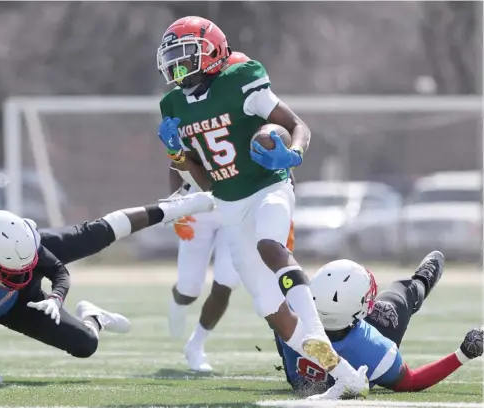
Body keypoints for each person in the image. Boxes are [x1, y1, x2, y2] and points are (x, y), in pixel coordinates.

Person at [155, 15, 368, 400]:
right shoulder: (172, 104)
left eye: (186, 55)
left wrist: (293, 154)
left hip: (269, 186)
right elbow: (207, 181)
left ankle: (317, 331)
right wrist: (176, 155)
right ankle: (347, 376)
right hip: (229, 205)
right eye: (173, 58)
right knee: (273, 312)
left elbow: (296, 124)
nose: (177, 66)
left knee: (271, 246)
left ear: (213, 51)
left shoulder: (240, 79)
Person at [0, 192, 214, 383]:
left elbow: (57, 270)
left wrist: (55, 296)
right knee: (85, 345)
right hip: (11, 308)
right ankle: (95, 317)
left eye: (28, 265)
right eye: (15, 271)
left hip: (31, 271)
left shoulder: (25, 247)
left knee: (97, 234)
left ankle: (172, 207)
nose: (25, 274)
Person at [275, 251, 483, 396]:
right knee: (399, 298)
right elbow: (412, 381)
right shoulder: (372, 348)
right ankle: (420, 281)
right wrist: (463, 354)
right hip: (355, 351)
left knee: (280, 326)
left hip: (302, 361)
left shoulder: (288, 312)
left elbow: (274, 309)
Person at [168, 50, 252, 373]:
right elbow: (177, 160)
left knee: (226, 281)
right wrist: (176, 201)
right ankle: (178, 301)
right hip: (202, 203)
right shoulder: (191, 104)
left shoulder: (256, 110)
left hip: (239, 204)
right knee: (189, 289)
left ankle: (196, 345)